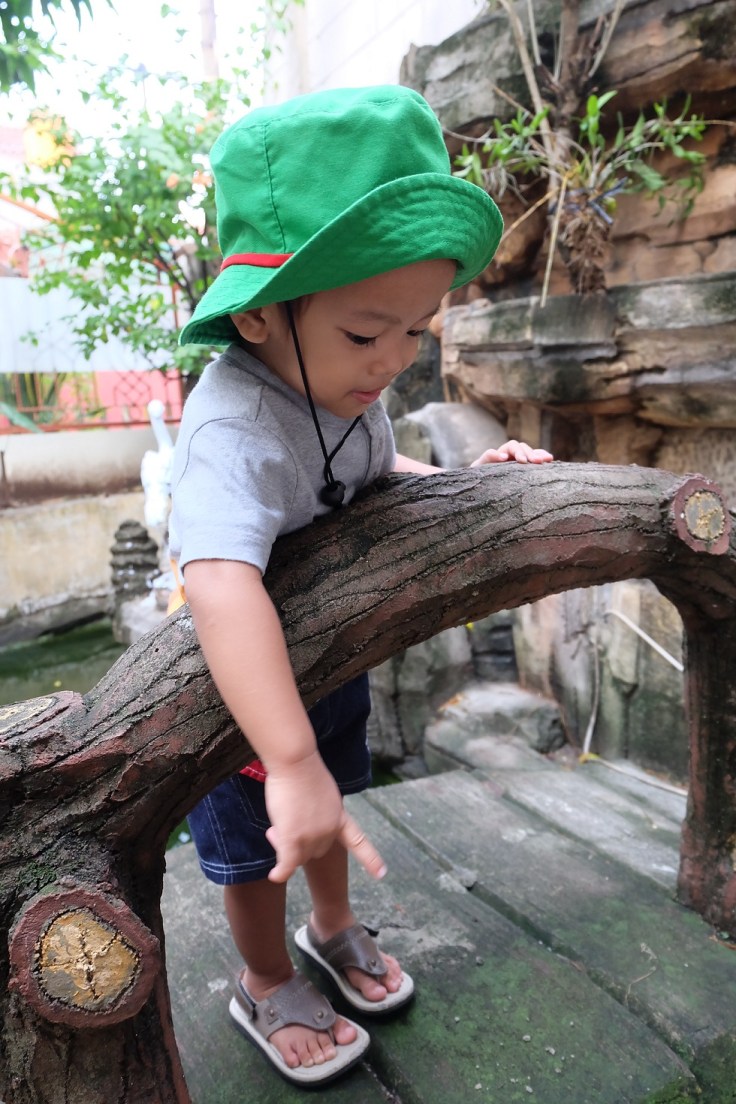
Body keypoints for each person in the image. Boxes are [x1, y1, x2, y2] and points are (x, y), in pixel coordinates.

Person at [169, 84, 553, 1088]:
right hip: (240, 701)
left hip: (329, 662)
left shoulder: (337, 381)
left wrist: (462, 482)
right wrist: (285, 757)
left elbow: (371, 473)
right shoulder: (232, 429)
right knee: (263, 851)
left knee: (332, 806)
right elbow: (218, 581)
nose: (392, 362)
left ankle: (332, 926)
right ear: (260, 315)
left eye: (416, 331)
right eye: (365, 333)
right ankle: (264, 977)